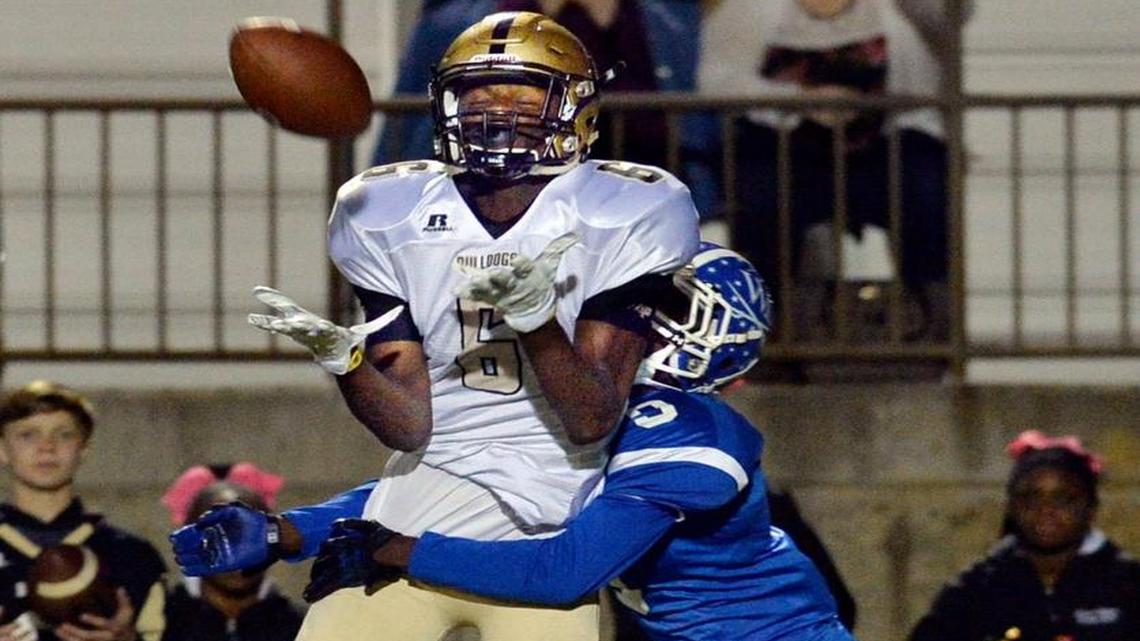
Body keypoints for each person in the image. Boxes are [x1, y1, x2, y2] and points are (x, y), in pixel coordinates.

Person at [246, 11, 700, 641]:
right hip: (422, 500)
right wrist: (346, 364)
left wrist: (538, 325)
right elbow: (409, 425)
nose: (497, 110)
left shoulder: (628, 209)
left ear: (577, 107)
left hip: (551, 521)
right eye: (478, 92)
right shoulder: (385, 209)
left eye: (523, 91)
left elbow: (592, 420)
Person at [186, 245, 853, 640]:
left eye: (667, 308)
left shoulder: (691, 433)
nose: (633, 318)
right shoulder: (589, 405)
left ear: (718, 340)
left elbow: (563, 571)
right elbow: (465, 484)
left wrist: (400, 549)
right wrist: (287, 533)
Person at [697, 0, 973, 340]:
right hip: (786, 146)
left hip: (886, 143)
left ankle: (932, 324)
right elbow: (716, 80)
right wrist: (802, 100)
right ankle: (766, 329)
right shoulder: (752, 10)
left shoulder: (901, 10)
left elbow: (953, 14)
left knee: (924, 189)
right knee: (761, 200)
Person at [909, 430, 1140, 641]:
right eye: (1031, 497)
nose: (1046, 511)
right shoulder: (977, 588)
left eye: (1063, 499)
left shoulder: (1128, 584)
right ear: (1012, 506)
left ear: (1090, 508)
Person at [0, 380, 167, 641]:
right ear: (2, 450)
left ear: (83, 450)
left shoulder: (131, 556)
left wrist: (127, 639)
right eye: (28, 434)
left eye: (64, 434)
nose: (47, 446)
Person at [160, 464, 304, 641]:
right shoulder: (156, 627)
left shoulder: (305, 628)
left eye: (250, 536)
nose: (237, 552)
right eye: (221, 536)